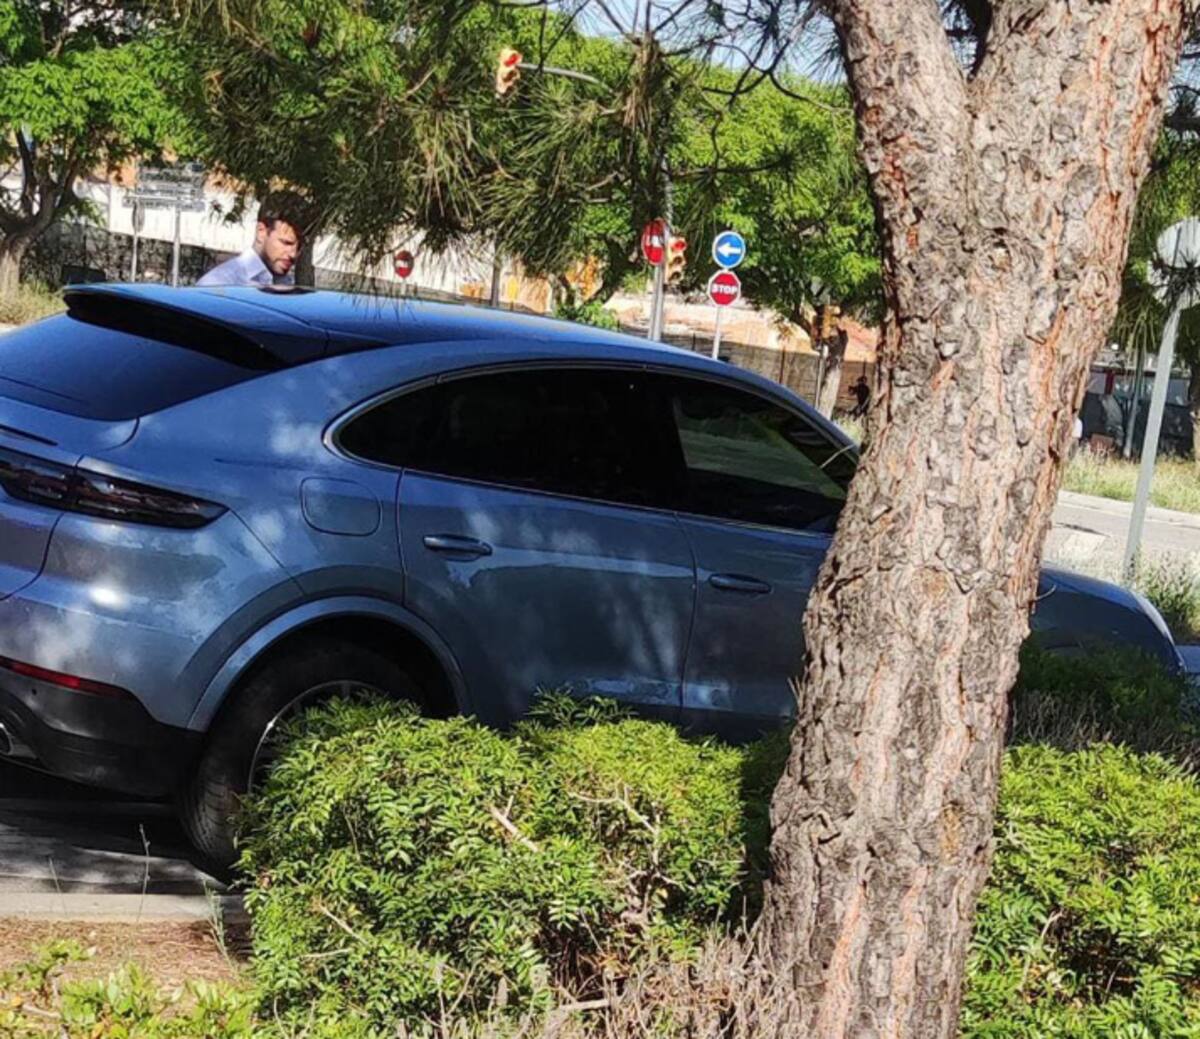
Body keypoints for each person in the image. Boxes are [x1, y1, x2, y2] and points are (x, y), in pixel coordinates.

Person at [197, 192, 306, 287]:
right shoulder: (220, 284)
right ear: (261, 232)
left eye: (299, 247)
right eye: (286, 243)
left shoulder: (287, 284)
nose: (293, 254)